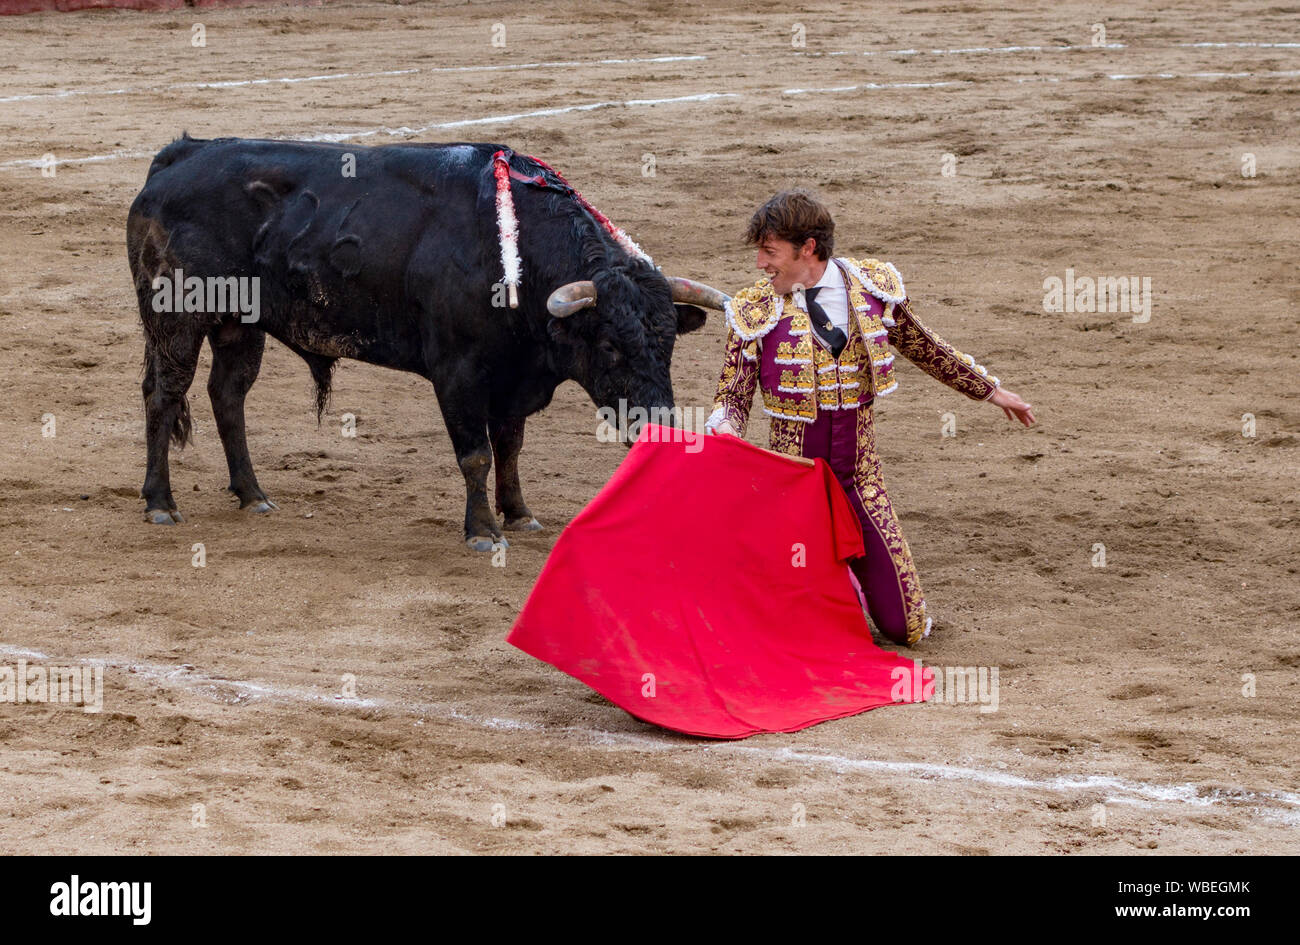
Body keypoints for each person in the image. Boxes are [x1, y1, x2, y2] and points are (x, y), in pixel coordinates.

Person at [705, 190, 1035, 646]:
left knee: (907, 628)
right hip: (794, 482)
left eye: (769, 251)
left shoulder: (872, 287)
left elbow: (925, 347)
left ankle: (853, 591)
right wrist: (724, 425)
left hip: (860, 475)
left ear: (808, 248)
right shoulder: (753, 310)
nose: (760, 263)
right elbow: (734, 393)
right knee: (796, 628)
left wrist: (992, 391)